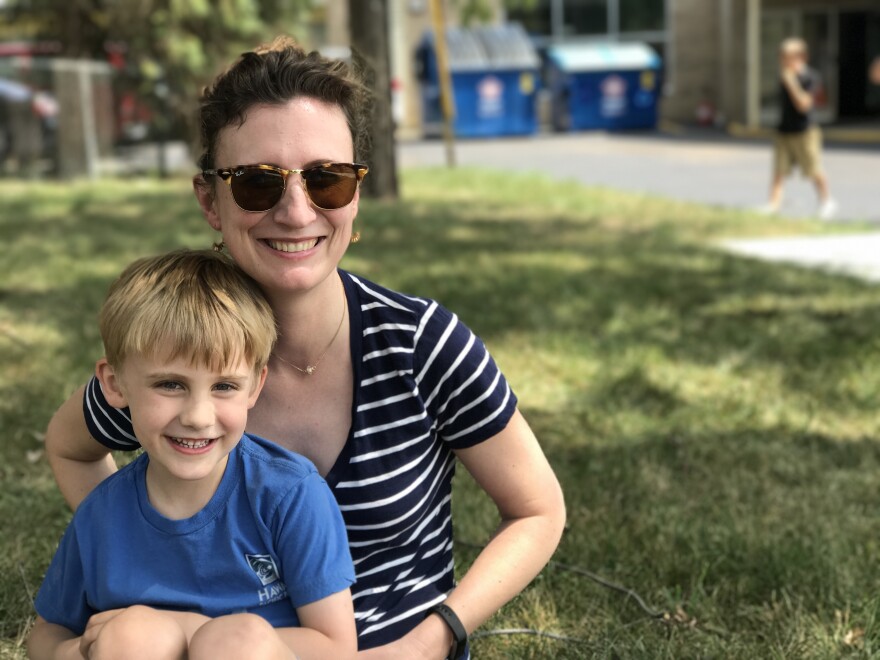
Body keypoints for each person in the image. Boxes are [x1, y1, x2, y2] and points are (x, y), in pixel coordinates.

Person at [44, 36, 566, 659]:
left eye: (328, 178)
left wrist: (428, 641)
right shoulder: (184, 354)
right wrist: (132, 559)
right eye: (259, 183)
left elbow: (537, 511)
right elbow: (71, 448)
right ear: (211, 200)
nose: (297, 211)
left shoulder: (423, 343)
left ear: (356, 194)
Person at [29, 250, 357, 660]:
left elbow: (336, 647)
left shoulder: (290, 496)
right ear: (115, 385)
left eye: (224, 387)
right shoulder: (101, 513)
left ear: (255, 386)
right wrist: (84, 650)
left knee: (237, 643)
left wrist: (192, 631)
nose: (198, 417)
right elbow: (48, 633)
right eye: (170, 384)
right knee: (132, 636)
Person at [760, 37, 837, 220]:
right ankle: (773, 204)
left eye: (787, 57)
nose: (784, 61)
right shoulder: (785, 76)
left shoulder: (810, 77)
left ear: (801, 57)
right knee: (779, 170)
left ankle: (826, 201)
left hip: (805, 131)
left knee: (813, 169)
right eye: (782, 57)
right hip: (784, 130)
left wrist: (792, 83)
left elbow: (804, 104)